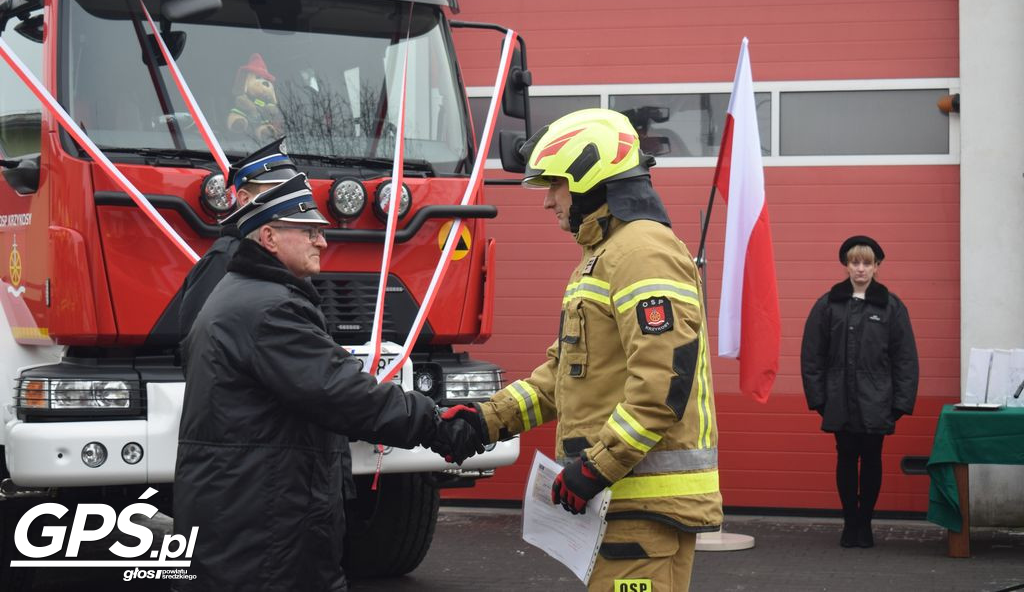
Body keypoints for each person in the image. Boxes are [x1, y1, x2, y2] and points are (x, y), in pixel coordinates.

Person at [437, 108, 722, 592]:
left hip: (639, 506)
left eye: (555, 185)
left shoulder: (641, 252)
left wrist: (595, 467)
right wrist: (486, 420)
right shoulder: (607, 256)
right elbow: (564, 375)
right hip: (624, 505)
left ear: (591, 179)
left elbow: (661, 385)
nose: (548, 201)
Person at [172, 173, 468, 591]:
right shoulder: (269, 309)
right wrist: (435, 423)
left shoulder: (248, 294)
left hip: (250, 508)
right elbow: (342, 392)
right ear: (270, 237)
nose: (323, 242)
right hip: (265, 522)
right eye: (309, 231)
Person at [800, 235, 919, 548]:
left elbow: (905, 358)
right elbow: (812, 354)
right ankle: (849, 521)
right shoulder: (829, 304)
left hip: (877, 401)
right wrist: (819, 399)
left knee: (872, 458)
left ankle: (865, 523)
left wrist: (899, 404)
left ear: (877, 266)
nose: (861, 268)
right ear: (846, 265)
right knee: (845, 457)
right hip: (838, 399)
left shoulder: (891, 306)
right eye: (855, 262)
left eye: (867, 263)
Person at [147, 138, 301, 344]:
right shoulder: (225, 258)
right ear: (245, 199)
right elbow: (199, 340)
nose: (290, 199)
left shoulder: (289, 253)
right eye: (278, 192)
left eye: (291, 191)